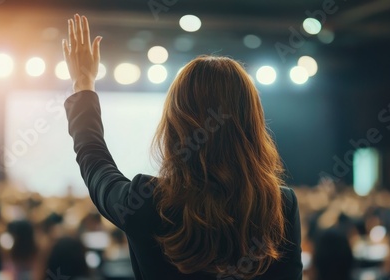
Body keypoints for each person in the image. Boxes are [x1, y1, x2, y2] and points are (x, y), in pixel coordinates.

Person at [62, 14, 302, 279]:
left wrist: (83, 85)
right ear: (250, 123)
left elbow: (94, 160)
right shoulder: (280, 204)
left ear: (175, 124)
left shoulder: (145, 200)